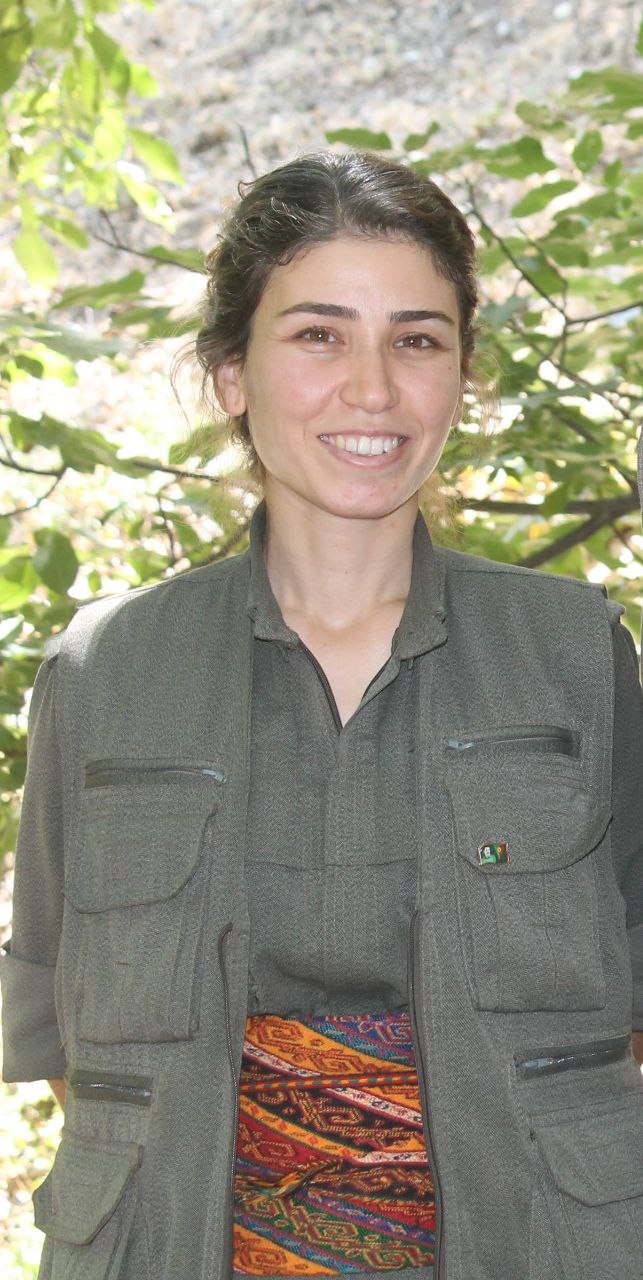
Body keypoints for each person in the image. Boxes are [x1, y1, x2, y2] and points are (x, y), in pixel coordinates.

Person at [1, 150, 642, 1280]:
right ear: (231, 374)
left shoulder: (572, 656)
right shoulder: (106, 673)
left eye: (417, 339)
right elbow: (68, 1029)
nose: (373, 389)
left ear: (460, 374)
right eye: (316, 335)